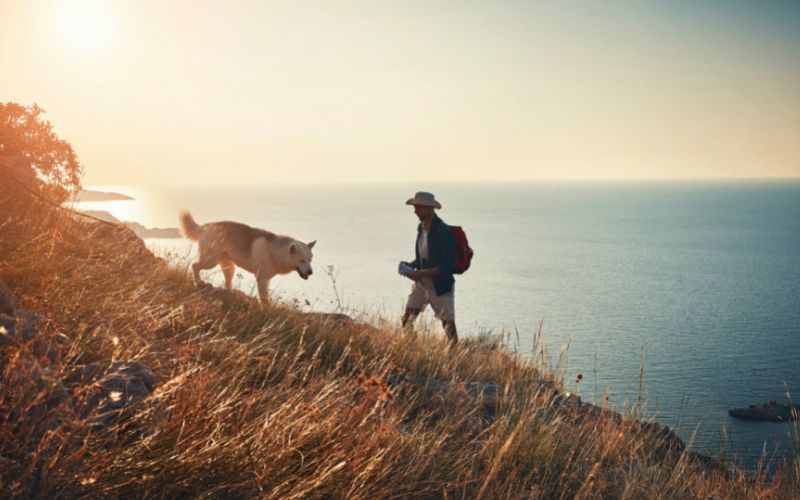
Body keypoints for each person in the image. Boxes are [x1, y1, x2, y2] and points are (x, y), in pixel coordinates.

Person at [400, 191, 458, 344]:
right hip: (421, 284)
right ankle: (412, 351)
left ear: (428, 208)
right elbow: (425, 258)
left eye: (418, 207)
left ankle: (454, 361)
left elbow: (448, 265)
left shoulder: (443, 231)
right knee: (406, 320)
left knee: (449, 331)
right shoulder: (421, 228)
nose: (415, 211)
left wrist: (421, 273)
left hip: (440, 287)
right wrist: (411, 266)